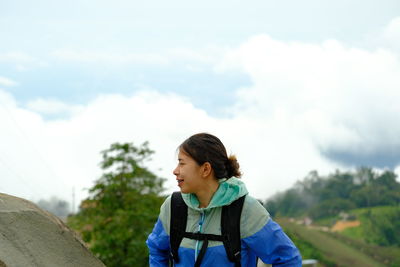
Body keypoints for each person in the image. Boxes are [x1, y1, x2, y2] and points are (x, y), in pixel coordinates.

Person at [146, 133, 302, 266]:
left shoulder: (245, 210)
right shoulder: (173, 207)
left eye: (182, 163)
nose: (175, 171)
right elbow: (156, 249)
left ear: (205, 169)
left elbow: (288, 259)